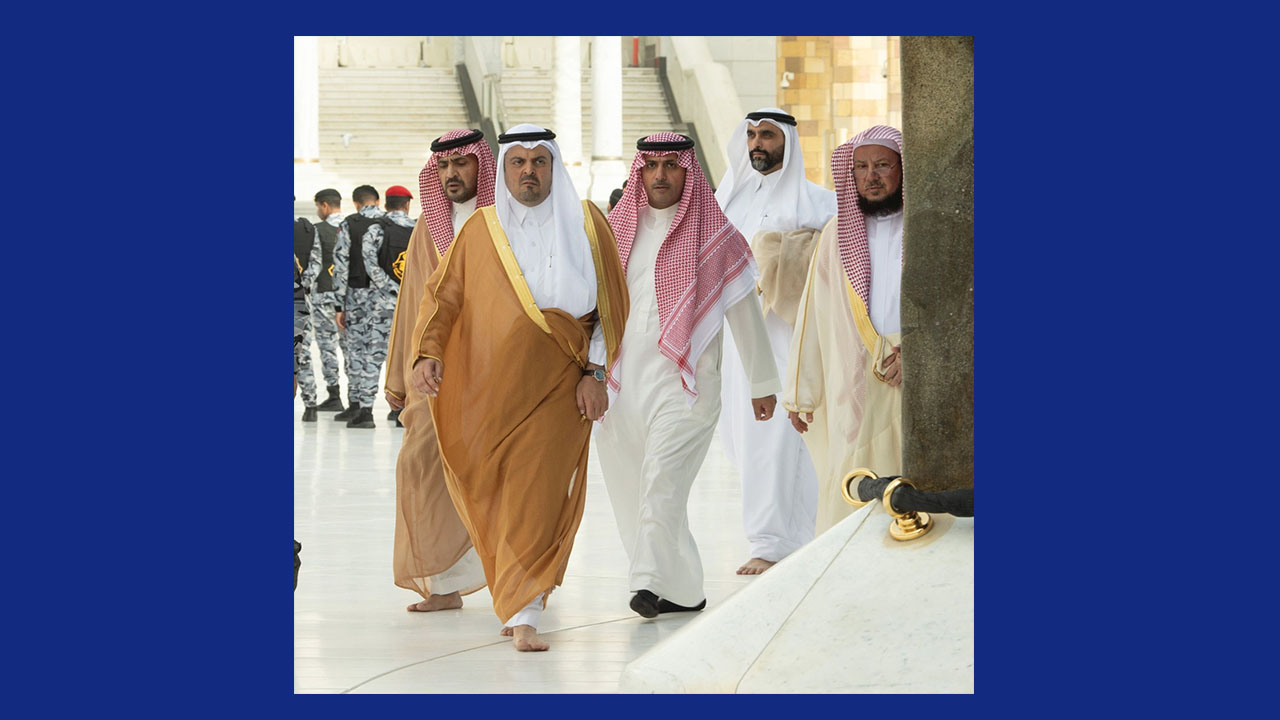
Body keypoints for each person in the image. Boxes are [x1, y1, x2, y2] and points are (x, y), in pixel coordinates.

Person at [409, 124, 628, 651]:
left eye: (539, 162)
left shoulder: (588, 222)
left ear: (554, 166)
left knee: (537, 493)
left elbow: (611, 307)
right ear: (504, 168)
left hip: (561, 384)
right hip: (490, 386)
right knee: (497, 492)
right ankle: (514, 590)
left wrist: (597, 373)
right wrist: (428, 352)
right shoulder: (481, 229)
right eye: (518, 162)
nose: (529, 172)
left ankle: (524, 610)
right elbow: (444, 297)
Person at [597, 133, 779, 619]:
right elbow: (594, 311)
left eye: (671, 165)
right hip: (621, 384)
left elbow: (745, 313)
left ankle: (646, 581)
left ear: (688, 171)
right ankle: (683, 590)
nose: (660, 175)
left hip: (688, 384)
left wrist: (762, 382)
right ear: (639, 171)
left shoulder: (715, 235)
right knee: (633, 488)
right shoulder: (615, 231)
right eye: (651, 165)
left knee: (663, 478)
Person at [714, 109, 837, 574]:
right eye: (750, 135)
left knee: (779, 439)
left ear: (787, 140)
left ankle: (770, 542)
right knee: (743, 439)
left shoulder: (818, 202)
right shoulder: (728, 202)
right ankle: (794, 534)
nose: (757, 143)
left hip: (788, 340)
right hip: (736, 345)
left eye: (767, 135)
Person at [384, 129, 495, 613]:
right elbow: (411, 301)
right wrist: (399, 372)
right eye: (443, 166)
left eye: (461, 163)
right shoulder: (427, 226)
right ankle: (444, 585)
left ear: (481, 165)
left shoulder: (503, 219)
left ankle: (524, 582)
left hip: (496, 366)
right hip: (434, 369)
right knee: (422, 465)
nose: (452, 174)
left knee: (501, 475)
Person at [784, 125, 905, 533]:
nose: (871, 177)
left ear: (903, 169)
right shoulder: (836, 235)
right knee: (854, 478)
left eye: (883, 165)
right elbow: (812, 314)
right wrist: (801, 390)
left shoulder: (928, 230)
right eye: (861, 168)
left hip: (913, 376)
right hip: (853, 378)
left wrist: (923, 353)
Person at [347, 185, 416, 429]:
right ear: (407, 205)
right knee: (405, 356)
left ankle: (366, 412)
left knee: (373, 355)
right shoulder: (418, 229)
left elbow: (370, 266)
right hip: (410, 305)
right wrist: (405, 291)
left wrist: (390, 288)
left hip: (381, 304)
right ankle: (401, 411)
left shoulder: (376, 229)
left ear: (385, 205)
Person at [331, 185, 385, 425]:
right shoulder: (388, 223)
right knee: (384, 350)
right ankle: (396, 406)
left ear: (356, 203)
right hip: (385, 297)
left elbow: (340, 266)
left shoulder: (349, 224)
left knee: (356, 351)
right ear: (378, 201)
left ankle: (356, 405)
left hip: (356, 295)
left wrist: (338, 305)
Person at [310, 188, 347, 414]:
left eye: (318, 207)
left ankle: (334, 394)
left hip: (324, 294)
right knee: (350, 348)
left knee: (327, 346)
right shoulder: (353, 226)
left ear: (324, 205)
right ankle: (356, 399)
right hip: (349, 298)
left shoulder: (318, 230)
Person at [294, 213, 320, 421]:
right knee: (302, 353)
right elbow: (316, 263)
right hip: (301, 299)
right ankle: (310, 404)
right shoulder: (308, 229)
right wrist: (301, 284)